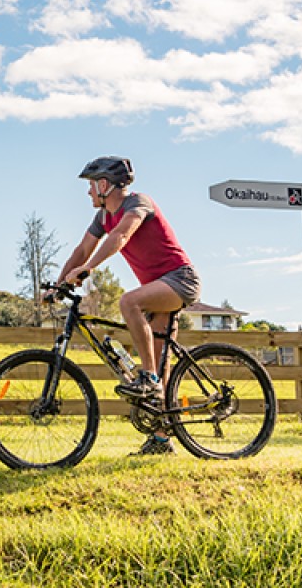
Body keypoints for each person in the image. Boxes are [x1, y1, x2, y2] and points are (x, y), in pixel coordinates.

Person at [55, 156, 201, 455]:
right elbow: (83, 249)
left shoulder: (138, 204)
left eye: (91, 186)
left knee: (128, 302)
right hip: (159, 290)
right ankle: (161, 438)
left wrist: (89, 269)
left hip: (179, 279)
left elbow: (121, 236)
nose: (88, 193)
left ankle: (147, 379)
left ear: (104, 185)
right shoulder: (102, 217)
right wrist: (59, 284)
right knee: (162, 366)